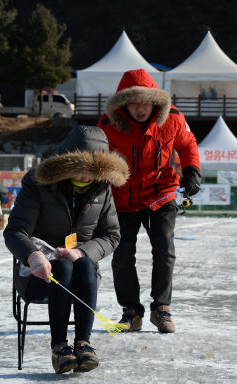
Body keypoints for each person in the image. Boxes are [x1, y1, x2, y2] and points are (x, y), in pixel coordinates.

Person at [3, 125, 129, 374]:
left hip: (83, 279)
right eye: (80, 169)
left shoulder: (102, 188)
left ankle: (84, 344)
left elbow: (112, 235)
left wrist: (83, 251)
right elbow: (15, 230)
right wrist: (33, 256)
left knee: (82, 263)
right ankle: (59, 348)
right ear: (67, 162)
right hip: (39, 274)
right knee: (62, 265)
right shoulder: (37, 182)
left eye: (92, 171)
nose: (85, 176)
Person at [97, 68, 201, 334]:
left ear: (155, 101)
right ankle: (131, 311)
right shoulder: (107, 126)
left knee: (164, 247)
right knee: (121, 255)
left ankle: (161, 308)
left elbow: (188, 144)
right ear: (123, 103)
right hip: (123, 196)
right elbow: (97, 161)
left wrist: (192, 170)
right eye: (134, 102)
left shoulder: (173, 118)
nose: (141, 109)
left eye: (145, 102)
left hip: (161, 192)